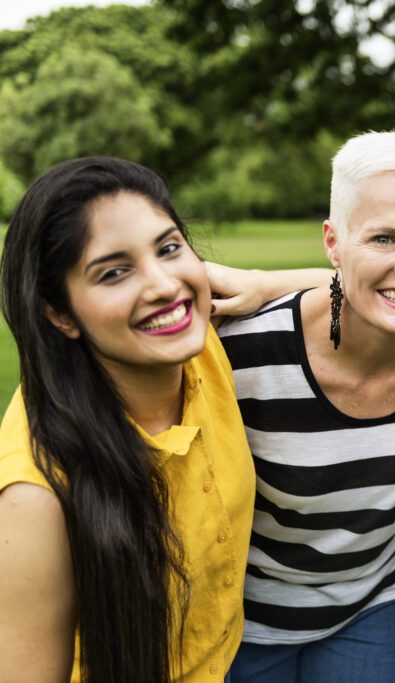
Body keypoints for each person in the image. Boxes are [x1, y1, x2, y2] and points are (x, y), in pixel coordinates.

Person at [216, 131, 395, 682]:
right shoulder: (242, 354)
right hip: (242, 620)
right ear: (333, 241)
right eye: (384, 238)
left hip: (376, 604)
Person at [0, 156, 255, 681]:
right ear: (59, 314)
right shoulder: (33, 497)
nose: (163, 285)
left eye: (168, 248)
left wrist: (262, 282)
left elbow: (356, 287)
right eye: (114, 272)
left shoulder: (199, 337)